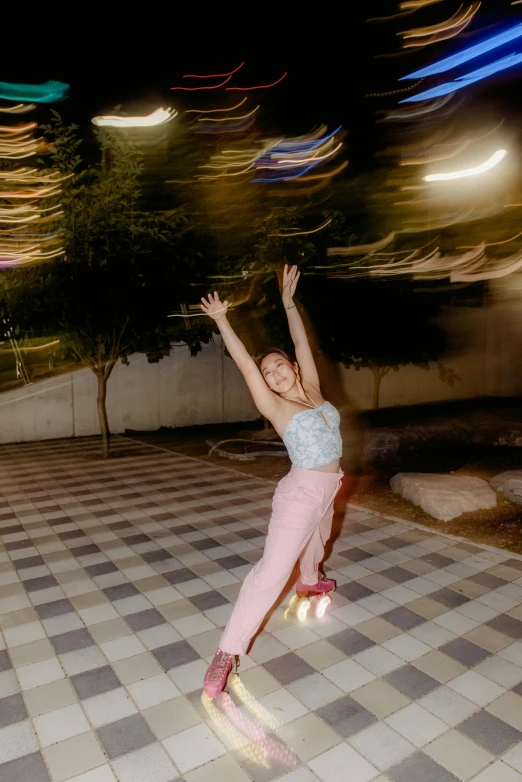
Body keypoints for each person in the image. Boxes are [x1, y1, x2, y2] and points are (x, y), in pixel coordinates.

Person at [200, 264, 343, 698]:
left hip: (329, 485)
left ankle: (309, 579)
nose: (276, 374)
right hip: (300, 493)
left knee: (318, 540)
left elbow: (301, 341)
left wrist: (287, 302)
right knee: (269, 572)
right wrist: (223, 320)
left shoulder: (313, 389)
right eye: (269, 374)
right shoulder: (278, 409)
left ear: (294, 369)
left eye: (280, 366)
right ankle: (227, 653)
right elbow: (245, 365)